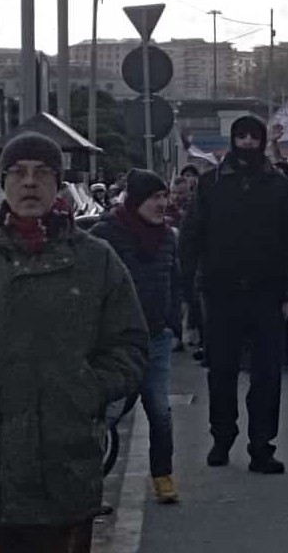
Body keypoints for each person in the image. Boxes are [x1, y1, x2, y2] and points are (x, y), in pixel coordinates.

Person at [0, 133, 148, 552]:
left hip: (61, 469)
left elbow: (129, 345)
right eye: (18, 173)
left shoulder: (95, 261)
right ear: (2, 184)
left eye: (42, 174)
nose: (29, 183)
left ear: (59, 184)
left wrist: (85, 388)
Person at [180, 116, 288, 475]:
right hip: (221, 293)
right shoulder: (210, 183)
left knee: (267, 376)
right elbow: (192, 237)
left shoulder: (277, 185)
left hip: (267, 294)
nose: (247, 143)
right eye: (240, 136)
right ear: (233, 140)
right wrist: (189, 288)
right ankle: (222, 437)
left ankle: (262, 446)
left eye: (253, 137)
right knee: (221, 371)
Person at [90, 170, 185, 505]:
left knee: (159, 409)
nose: (162, 204)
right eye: (154, 198)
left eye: (164, 197)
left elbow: (175, 280)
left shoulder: (169, 237)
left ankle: (163, 476)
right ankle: (90, 485)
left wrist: (174, 320)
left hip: (156, 338)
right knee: (107, 413)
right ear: (136, 201)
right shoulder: (106, 233)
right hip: (117, 340)